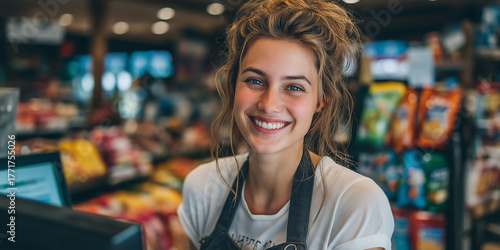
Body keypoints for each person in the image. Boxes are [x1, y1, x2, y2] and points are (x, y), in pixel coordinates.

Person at [177, 0, 394, 249]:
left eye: (294, 87)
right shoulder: (203, 186)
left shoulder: (353, 203)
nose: (269, 104)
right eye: (255, 81)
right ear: (233, 85)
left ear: (320, 101)